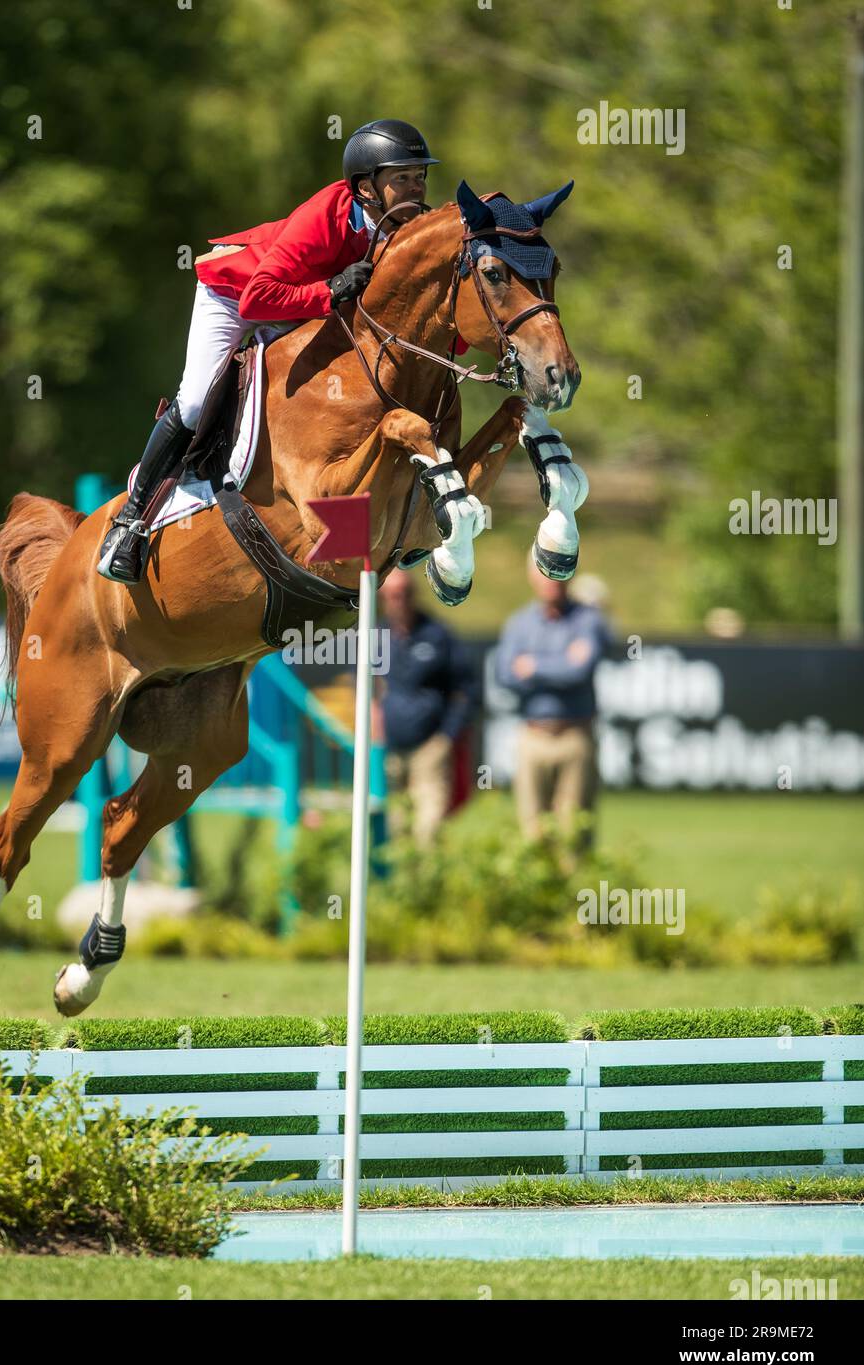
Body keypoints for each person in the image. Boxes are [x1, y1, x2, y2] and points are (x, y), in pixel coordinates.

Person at [97, 119, 439, 585]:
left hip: (303, 301)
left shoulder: (407, 228)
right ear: (366, 188)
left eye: (419, 176)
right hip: (235, 292)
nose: (416, 188)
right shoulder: (325, 216)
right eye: (403, 178)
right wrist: (330, 290)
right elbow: (257, 299)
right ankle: (129, 522)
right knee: (197, 399)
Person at [495, 554, 610, 850]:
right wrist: (560, 663)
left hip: (575, 736)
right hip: (532, 736)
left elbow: (579, 671)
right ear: (533, 578)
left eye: (559, 572)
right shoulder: (519, 623)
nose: (552, 580)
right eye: (545, 572)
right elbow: (505, 675)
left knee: (574, 833)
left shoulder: (588, 619)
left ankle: (574, 896)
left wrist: (533, 667)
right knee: (532, 833)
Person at [377, 567, 479, 848]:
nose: (400, 601)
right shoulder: (376, 635)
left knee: (428, 828)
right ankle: (402, 888)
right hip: (390, 750)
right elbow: (361, 686)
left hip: (430, 747)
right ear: (384, 597)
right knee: (396, 829)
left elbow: (466, 689)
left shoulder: (437, 634)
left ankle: (428, 886)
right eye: (393, 595)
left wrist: (447, 736)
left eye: (405, 594)